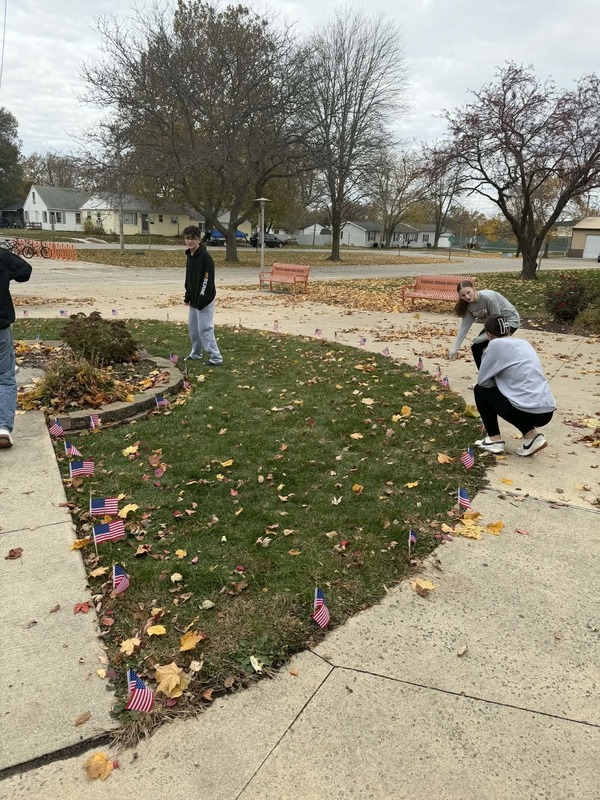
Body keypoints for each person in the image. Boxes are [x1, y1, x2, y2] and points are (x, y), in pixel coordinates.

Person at [473, 315, 556, 456]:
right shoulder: (524, 343)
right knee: (518, 400)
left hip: (527, 410)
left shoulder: (494, 344)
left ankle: (494, 440)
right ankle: (533, 438)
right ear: (509, 331)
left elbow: (483, 381)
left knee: (480, 390)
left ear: (488, 334)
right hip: (547, 410)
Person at [0, 248, 32, 448]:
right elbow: (25, 271)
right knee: (4, 378)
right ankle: (2, 427)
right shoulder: (2, 257)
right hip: (0, 328)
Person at [448, 280, 520, 367]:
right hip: (493, 325)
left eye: (468, 292)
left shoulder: (488, 298)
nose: (467, 297)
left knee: (493, 347)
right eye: (463, 295)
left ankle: (505, 372)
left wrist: (481, 338)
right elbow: (464, 327)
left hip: (508, 321)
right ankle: (484, 378)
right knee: (476, 348)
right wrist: (455, 349)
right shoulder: (468, 306)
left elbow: (497, 322)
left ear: (474, 289)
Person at [182, 225, 223, 366]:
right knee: (193, 329)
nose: (190, 241)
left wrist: (201, 299)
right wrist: (188, 294)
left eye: (193, 239)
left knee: (205, 329)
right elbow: (189, 278)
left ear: (199, 239)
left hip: (204, 299)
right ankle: (196, 354)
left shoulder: (205, 257)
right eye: (187, 238)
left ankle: (216, 358)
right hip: (194, 299)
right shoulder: (190, 255)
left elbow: (206, 279)